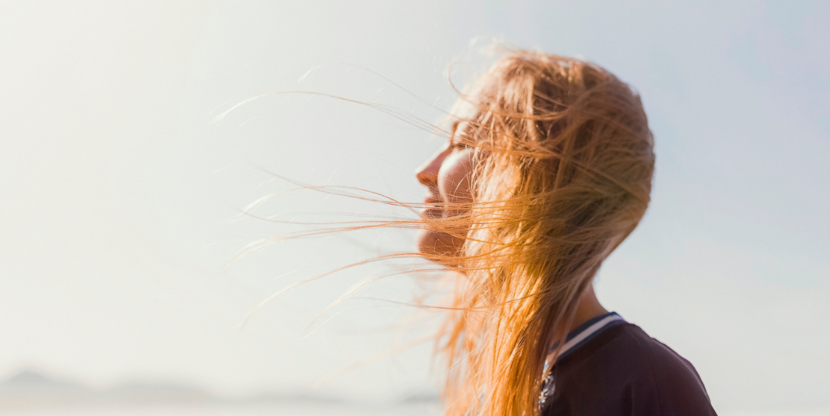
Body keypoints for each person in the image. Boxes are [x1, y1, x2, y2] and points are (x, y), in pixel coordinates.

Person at [412, 50, 717, 416]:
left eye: (464, 142)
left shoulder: (648, 384)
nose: (425, 170)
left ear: (540, 179)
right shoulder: (503, 384)